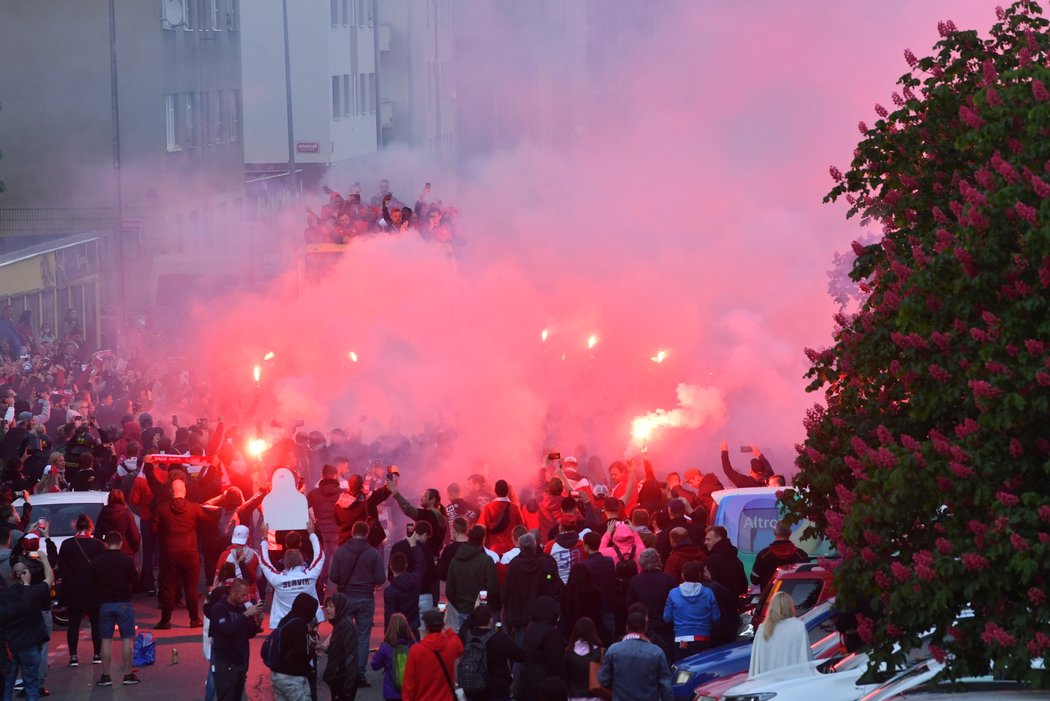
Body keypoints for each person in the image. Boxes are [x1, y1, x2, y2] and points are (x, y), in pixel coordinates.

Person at [328, 520, 385, 687]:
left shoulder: (340, 552)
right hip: (366, 598)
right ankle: (359, 674)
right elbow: (381, 578)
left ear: (352, 532)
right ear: (366, 533)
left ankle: (344, 672)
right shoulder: (374, 553)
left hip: (345, 598)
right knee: (362, 637)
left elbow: (333, 577)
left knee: (343, 636)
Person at [153, 478, 212, 629]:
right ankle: (194, 619)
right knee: (191, 588)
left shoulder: (162, 508)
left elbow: (153, 529)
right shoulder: (194, 508)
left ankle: (165, 621)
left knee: (168, 587)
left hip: (169, 553)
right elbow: (207, 520)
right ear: (184, 491)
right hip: (190, 552)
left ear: (171, 492)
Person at [92, 531, 140, 686]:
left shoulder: (98, 561)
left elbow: (93, 580)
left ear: (106, 544)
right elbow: (136, 581)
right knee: (127, 639)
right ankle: (127, 674)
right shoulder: (126, 561)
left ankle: (106, 675)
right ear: (120, 543)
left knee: (106, 640)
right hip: (124, 603)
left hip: (105, 604)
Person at [58, 513, 106, 667]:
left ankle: (73, 656)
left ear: (76, 527)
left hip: (73, 589)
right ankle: (97, 654)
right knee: (96, 623)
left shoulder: (67, 544)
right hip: (93, 589)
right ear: (91, 527)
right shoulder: (99, 545)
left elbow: (62, 567)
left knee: (73, 624)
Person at [3, 555, 52, 701]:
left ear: (12, 576)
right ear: (27, 575)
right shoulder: (33, 593)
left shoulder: (5, 596)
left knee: (7, 685)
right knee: (31, 685)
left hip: (11, 645)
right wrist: (44, 560)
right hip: (30, 644)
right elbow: (49, 580)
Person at [259, 521, 325, 629]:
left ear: (285, 562)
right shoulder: (310, 575)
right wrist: (312, 534)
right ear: (301, 560)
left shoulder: (277, 579)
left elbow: (264, 561)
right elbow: (320, 556)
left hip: (284, 624)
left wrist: (264, 538)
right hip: (309, 622)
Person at [208, 578, 264, 701]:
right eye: (243, 595)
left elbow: (249, 633)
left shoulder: (242, 608)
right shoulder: (219, 609)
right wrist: (246, 615)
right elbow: (227, 630)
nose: (246, 598)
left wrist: (258, 622)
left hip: (241, 663)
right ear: (233, 593)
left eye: (247, 594)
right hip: (226, 663)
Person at [597, 610, 672, 701]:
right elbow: (666, 686)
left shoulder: (613, 650)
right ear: (645, 628)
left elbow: (603, 680)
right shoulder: (657, 652)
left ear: (626, 628)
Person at [459, 604, 524, 701]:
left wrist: (474, 611)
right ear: (490, 620)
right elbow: (521, 656)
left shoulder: (467, 635)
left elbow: (463, 627)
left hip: (473, 689)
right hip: (497, 690)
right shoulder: (500, 638)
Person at [401, 608, 464, 701]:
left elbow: (409, 683)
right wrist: (448, 630)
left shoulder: (416, 650)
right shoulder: (451, 645)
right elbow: (460, 647)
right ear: (442, 626)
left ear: (426, 628)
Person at [445, 525, 500, 633]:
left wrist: (460, 605)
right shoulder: (486, 561)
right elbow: (493, 588)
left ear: (468, 538)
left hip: (462, 610)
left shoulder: (456, 560)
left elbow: (449, 590)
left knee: (464, 642)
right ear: (483, 539)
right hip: (482, 613)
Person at [663, 561, 721, 661]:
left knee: (684, 668)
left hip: (682, 639)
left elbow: (667, 618)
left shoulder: (673, 593)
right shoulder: (708, 593)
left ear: (683, 575)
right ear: (699, 575)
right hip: (703, 638)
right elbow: (716, 617)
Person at [269, 593, 319, 701]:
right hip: (292, 678)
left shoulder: (285, 620)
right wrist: (313, 649)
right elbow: (302, 652)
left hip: (278, 675)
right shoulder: (299, 624)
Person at [748, 592, 811, 677]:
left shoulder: (763, 629)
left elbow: (756, 663)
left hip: (768, 684)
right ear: (790, 606)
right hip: (792, 684)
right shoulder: (798, 627)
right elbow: (805, 659)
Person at [518, 596, 564, 701]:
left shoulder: (531, 627)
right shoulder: (551, 633)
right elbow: (555, 663)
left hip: (528, 680)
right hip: (545, 684)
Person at [750, 521, 808, 591]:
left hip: (770, 598)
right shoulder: (801, 555)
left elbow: (755, 580)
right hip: (795, 598)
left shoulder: (763, 555)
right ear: (790, 533)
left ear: (774, 532)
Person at [370, 612, 415, 701]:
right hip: (410, 691)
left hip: (391, 692)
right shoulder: (413, 645)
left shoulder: (386, 647)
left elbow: (374, 665)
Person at [477, 480, 522, 556]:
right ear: (507, 491)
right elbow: (521, 528)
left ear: (495, 491)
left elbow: (481, 528)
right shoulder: (514, 508)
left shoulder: (487, 508)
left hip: (492, 550)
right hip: (511, 550)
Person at [563, 617, 604, 701]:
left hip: (573, 697)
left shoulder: (568, 653)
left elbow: (565, 677)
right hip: (595, 697)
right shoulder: (600, 652)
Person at [94, 488, 141, 558]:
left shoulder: (104, 513)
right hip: (125, 552)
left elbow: (97, 534)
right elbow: (134, 536)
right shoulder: (126, 514)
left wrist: (103, 548)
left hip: (108, 551)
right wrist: (134, 550)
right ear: (122, 499)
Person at [703, 526, 749, 598]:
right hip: (734, 604)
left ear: (718, 539)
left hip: (718, 604)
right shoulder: (735, 559)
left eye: (708, 539)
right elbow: (743, 586)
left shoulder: (711, 560)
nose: (705, 542)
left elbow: (709, 587)